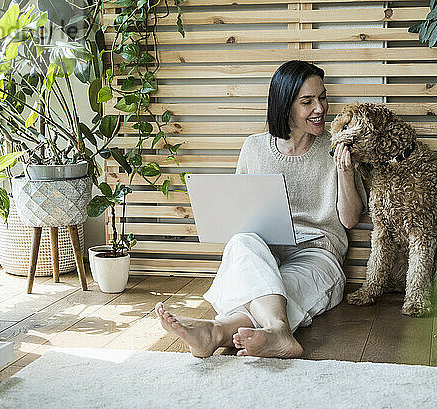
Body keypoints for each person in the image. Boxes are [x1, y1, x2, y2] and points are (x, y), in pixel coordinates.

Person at [156, 60, 368, 359]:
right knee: (242, 243)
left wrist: (345, 170)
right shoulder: (254, 148)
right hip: (264, 253)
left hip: (318, 255)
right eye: (307, 101)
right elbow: (239, 216)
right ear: (284, 106)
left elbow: (348, 220)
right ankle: (276, 332)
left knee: (274, 292)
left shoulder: (336, 148)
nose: (320, 108)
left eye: (322, 97)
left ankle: (216, 332)